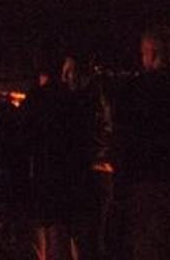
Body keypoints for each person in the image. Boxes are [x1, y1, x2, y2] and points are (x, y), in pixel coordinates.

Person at [113, 25, 170, 260]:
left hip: (148, 187)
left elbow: (124, 140)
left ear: (152, 53)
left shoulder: (135, 91)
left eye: (144, 54)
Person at [18, 41, 97, 260]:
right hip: (68, 185)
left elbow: (22, 144)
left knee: (44, 245)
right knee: (63, 243)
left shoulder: (34, 101)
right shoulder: (74, 101)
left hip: (42, 183)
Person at [60, 53, 114, 260]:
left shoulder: (84, 103)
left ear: (81, 73)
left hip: (89, 178)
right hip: (100, 175)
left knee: (87, 243)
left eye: (69, 72)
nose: (64, 78)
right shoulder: (99, 98)